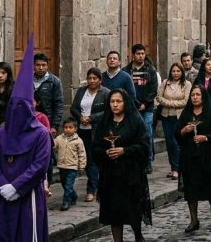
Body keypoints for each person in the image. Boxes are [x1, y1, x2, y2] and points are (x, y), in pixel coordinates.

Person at [0, 37, 51, 241]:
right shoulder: (1, 134)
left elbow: (40, 166)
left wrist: (17, 187)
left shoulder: (41, 133)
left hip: (28, 197)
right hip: (3, 196)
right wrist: (3, 186)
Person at [93, 89, 151, 242]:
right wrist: (106, 153)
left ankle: (138, 236)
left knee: (132, 209)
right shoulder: (105, 122)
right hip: (110, 175)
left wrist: (124, 151)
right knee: (114, 213)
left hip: (130, 174)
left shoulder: (135, 121)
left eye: (118, 101)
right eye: (112, 101)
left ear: (125, 102)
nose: (115, 105)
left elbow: (144, 146)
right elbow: (95, 147)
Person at [175, 84, 211, 232]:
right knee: (190, 188)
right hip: (190, 157)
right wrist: (184, 130)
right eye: (192, 95)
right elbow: (176, 133)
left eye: (198, 95)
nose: (195, 97)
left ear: (203, 96)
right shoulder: (186, 113)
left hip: (208, 156)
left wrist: (206, 138)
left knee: (210, 185)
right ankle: (194, 219)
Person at [70, 67, 110, 202]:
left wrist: (91, 118)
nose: (92, 81)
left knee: (93, 160)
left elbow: (108, 111)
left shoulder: (105, 93)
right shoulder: (82, 91)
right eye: (90, 78)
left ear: (100, 80)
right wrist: (80, 117)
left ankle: (91, 190)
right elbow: (73, 107)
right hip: (82, 130)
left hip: (97, 131)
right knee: (85, 160)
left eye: (95, 78)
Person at [124, 44, 158, 174]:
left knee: (147, 134)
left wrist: (145, 102)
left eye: (143, 53)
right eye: (138, 53)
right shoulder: (126, 71)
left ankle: (148, 160)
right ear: (133, 55)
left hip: (147, 108)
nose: (141, 56)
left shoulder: (150, 70)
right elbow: (125, 89)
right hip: (131, 108)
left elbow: (153, 89)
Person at [156, 63, 191, 181]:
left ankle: (179, 168)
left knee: (178, 142)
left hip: (179, 117)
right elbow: (159, 97)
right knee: (170, 143)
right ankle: (173, 168)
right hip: (166, 116)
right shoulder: (165, 83)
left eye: (178, 71)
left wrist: (171, 103)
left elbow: (186, 101)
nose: (175, 73)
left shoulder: (186, 84)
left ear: (181, 72)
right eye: (174, 71)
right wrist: (168, 103)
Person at [55, 117, 86, 210]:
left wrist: (82, 165)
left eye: (70, 127)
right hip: (62, 166)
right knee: (64, 184)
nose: (67, 129)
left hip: (72, 167)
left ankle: (66, 202)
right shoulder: (59, 138)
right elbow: (53, 144)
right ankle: (74, 195)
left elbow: (82, 154)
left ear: (75, 129)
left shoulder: (78, 141)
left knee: (68, 185)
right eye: (66, 127)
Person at [0, 62, 13, 128]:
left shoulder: (14, 88)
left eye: (3, 73)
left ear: (8, 74)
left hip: (9, 124)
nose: (0, 76)